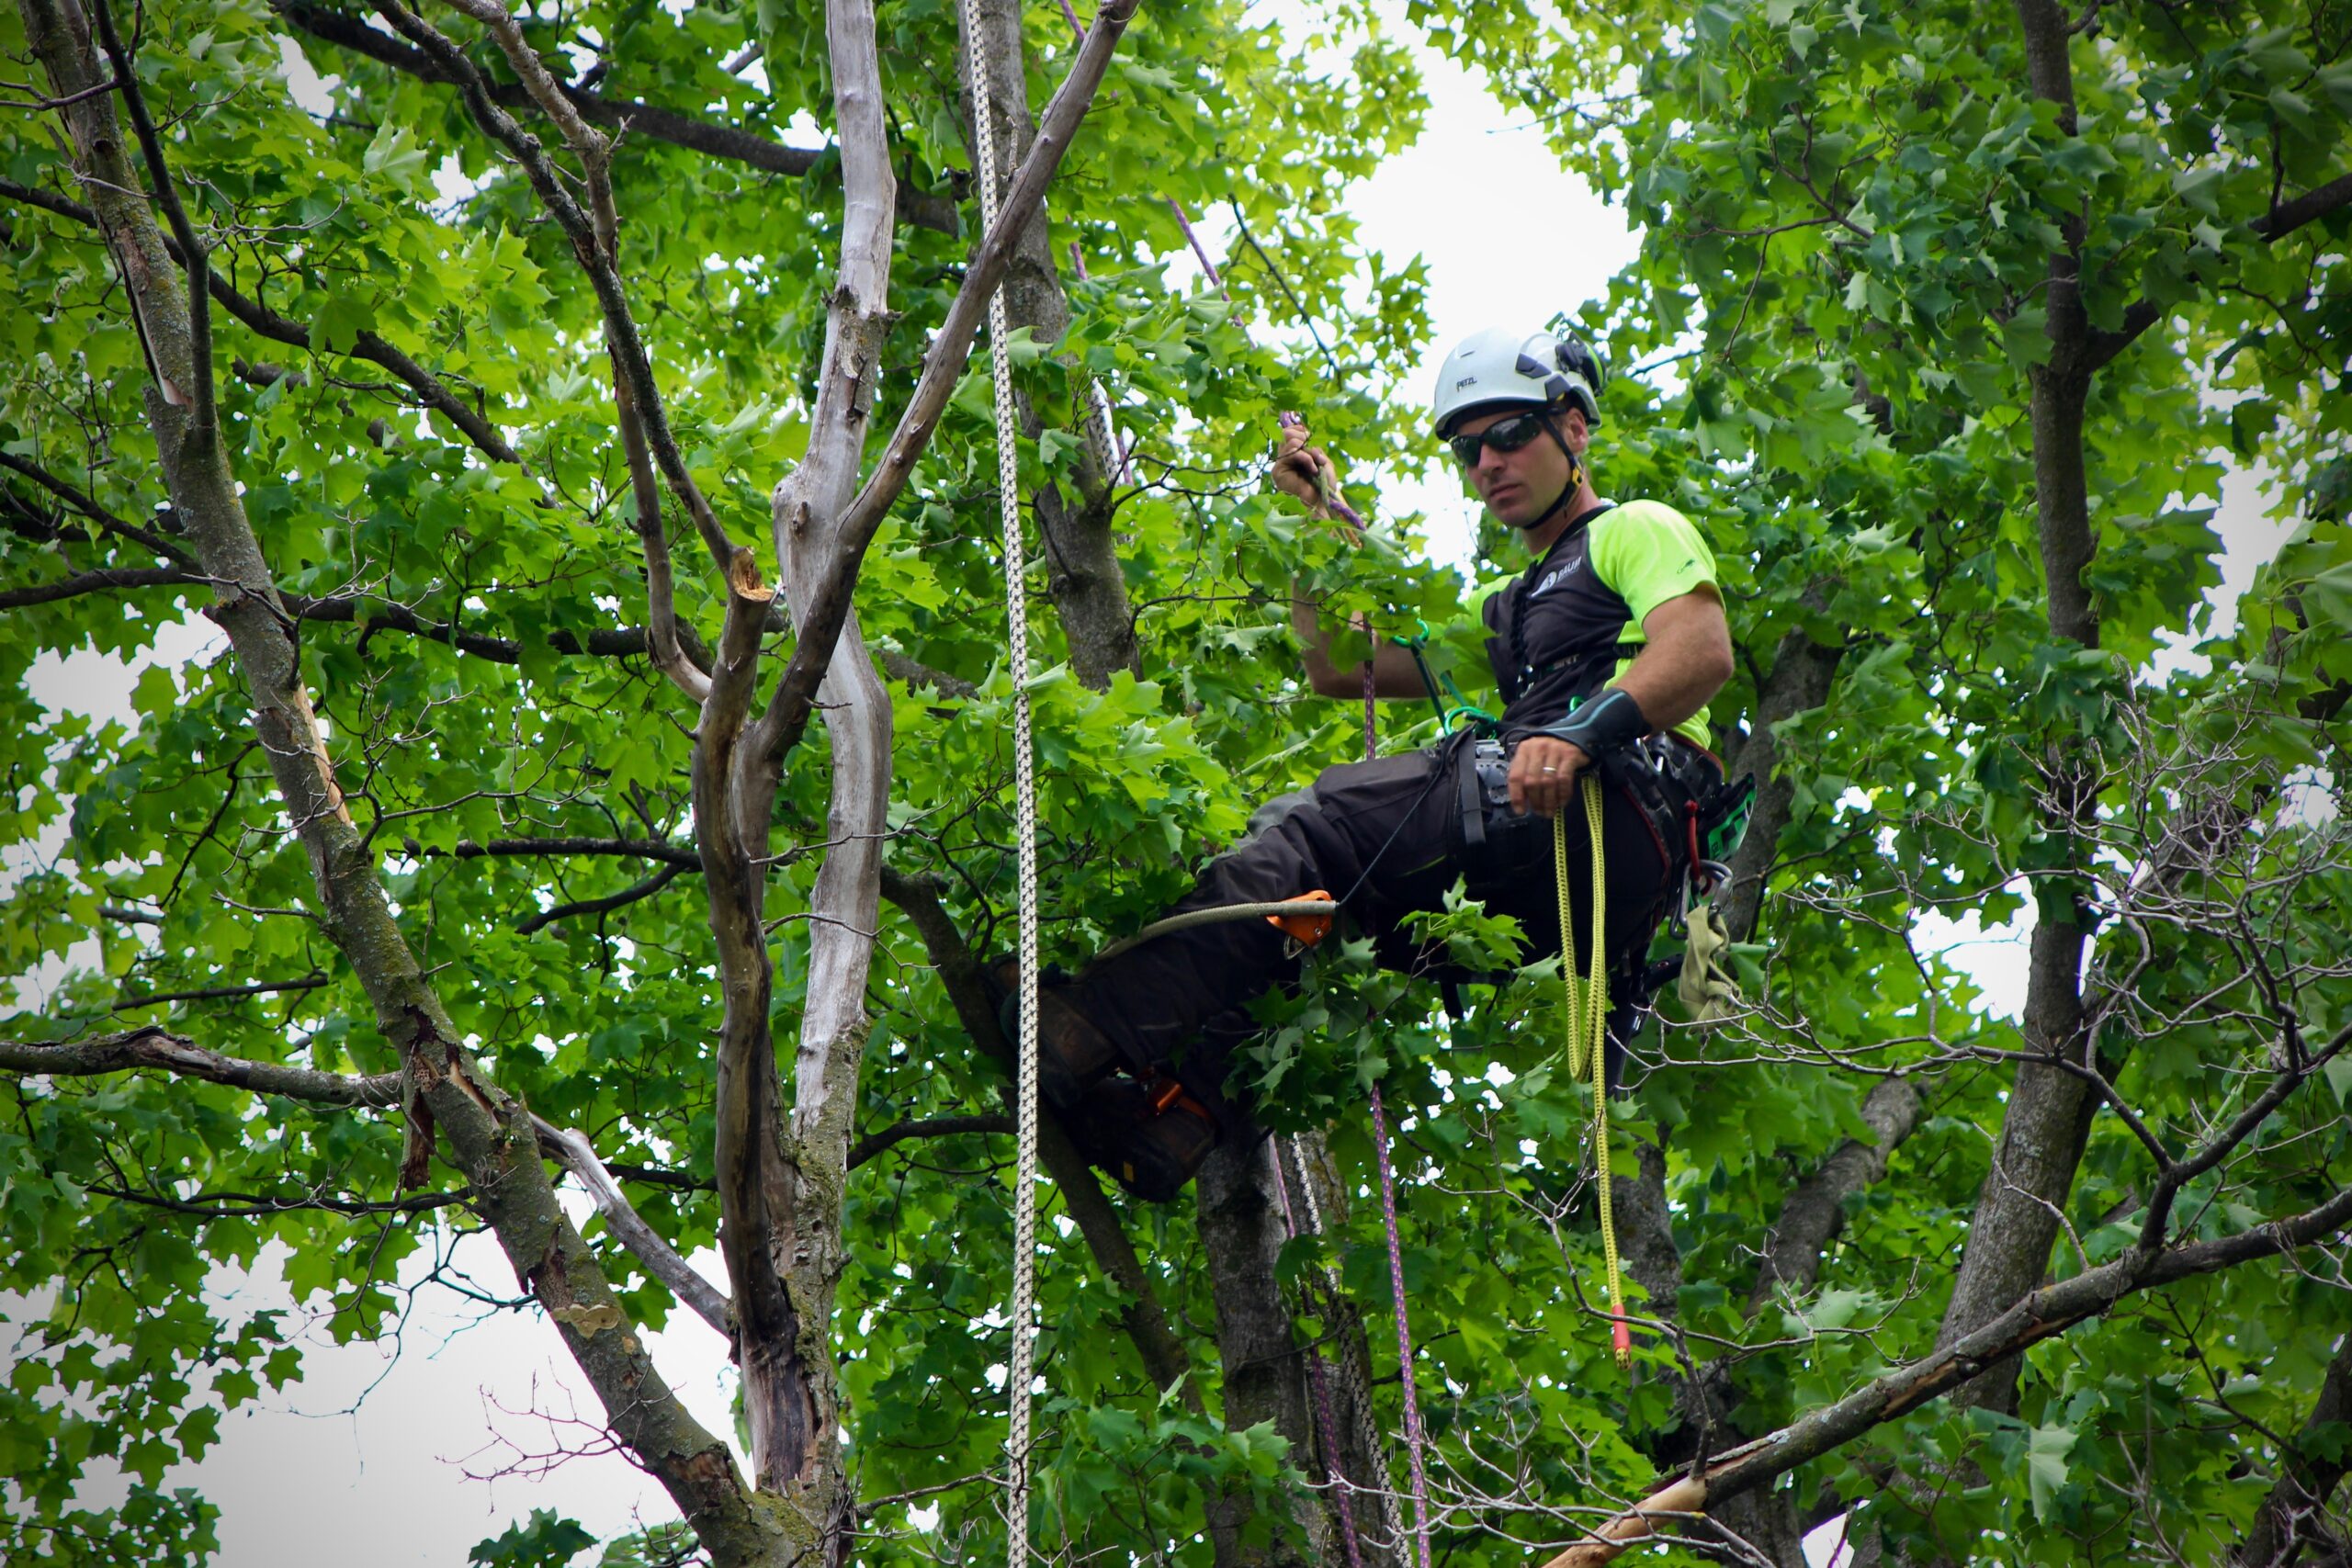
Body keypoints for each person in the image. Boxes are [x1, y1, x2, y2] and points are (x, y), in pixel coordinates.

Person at [1012, 327, 1736, 1201]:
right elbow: (1341, 666)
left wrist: (1579, 735)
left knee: (1312, 825)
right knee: (1319, 922)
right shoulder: (1506, 610)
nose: (1488, 464)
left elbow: (1699, 648)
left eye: (1509, 435)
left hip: (1606, 815)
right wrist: (1308, 528)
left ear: (1574, 429)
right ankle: (1183, 1113)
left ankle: (1087, 1025)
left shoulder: (1632, 531)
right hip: (1543, 880)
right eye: (1470, 450)